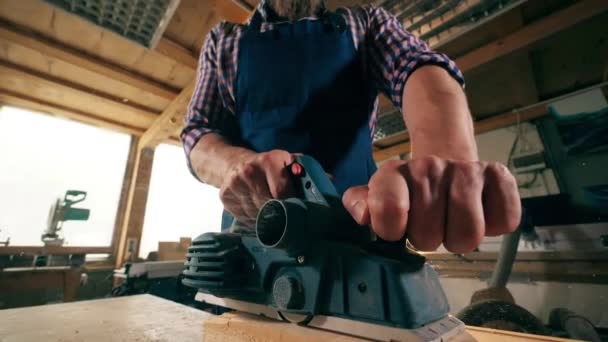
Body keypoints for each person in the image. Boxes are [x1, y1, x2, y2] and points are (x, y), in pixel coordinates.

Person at [180, 0, 521, 253]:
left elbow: (417, 67)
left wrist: (445, 160)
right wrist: (236, 166)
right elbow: (198, 132)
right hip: (256, 240)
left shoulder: (367, 23)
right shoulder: (223, 40)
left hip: (359, 234)